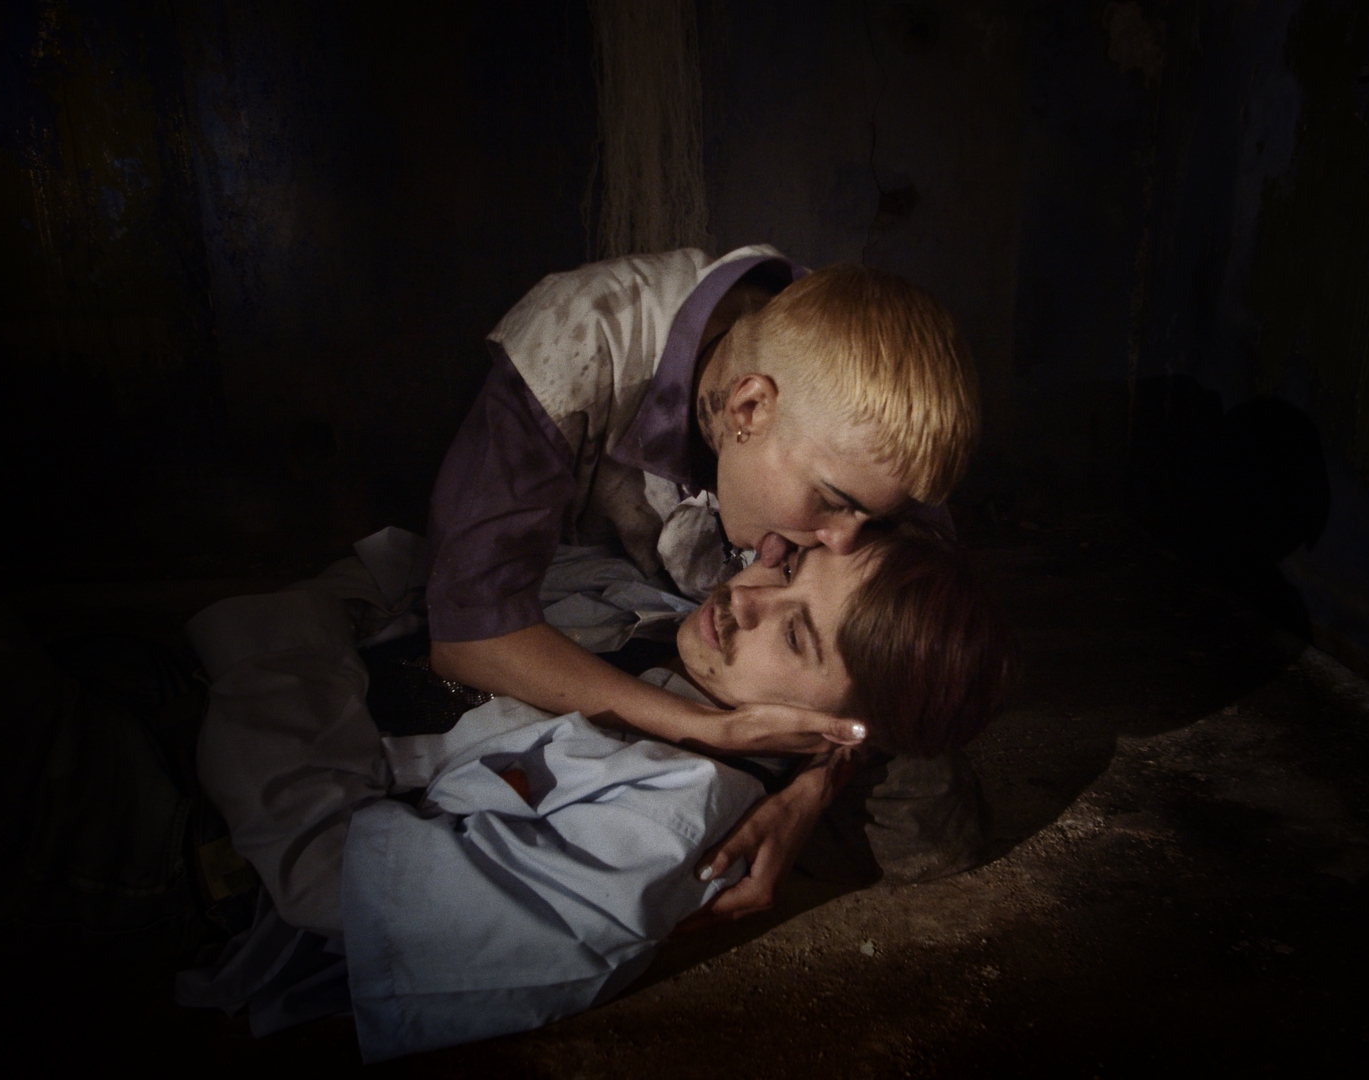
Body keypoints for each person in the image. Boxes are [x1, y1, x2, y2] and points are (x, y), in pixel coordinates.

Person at [179, 522, 1012, 1060]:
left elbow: (327, 878)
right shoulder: (644, 601)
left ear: (842, 730)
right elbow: (419, 563)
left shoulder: (666, 827)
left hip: (194, 830)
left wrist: (286, 647)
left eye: (795, 635)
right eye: (788, 564)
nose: (748, 597)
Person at [420, 246, 986, 917]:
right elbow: (468, 637)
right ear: (748, 407)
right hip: (599, 619)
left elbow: (904, 648)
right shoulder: (579, 342)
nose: (842, 541)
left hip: (762, 649)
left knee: (929, 809)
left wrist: (810, 789)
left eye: (868, 518)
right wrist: (708, 730)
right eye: (833, 502)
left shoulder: (879, 422)